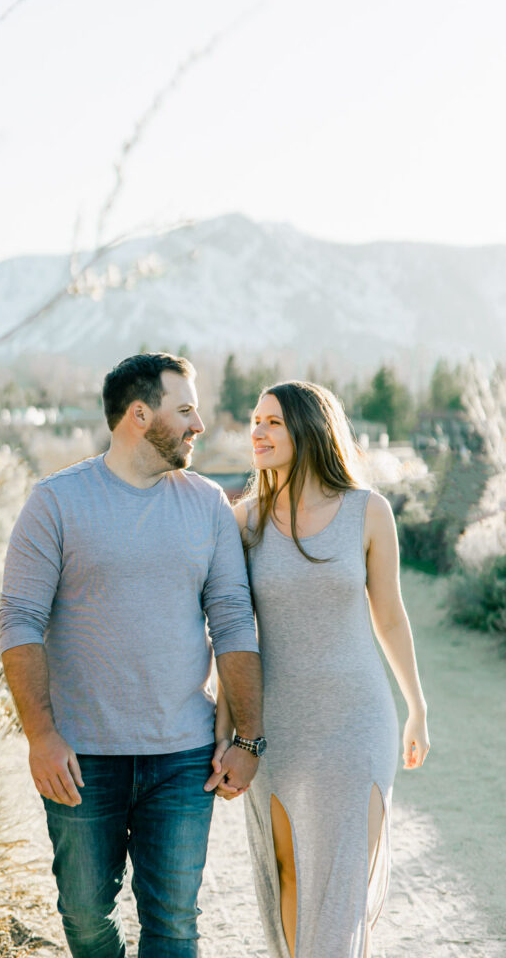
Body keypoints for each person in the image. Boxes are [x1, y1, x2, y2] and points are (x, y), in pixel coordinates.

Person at [0, 352, 263, 958]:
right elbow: (19, 620)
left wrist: (248, 740)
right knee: (85, 916)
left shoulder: (207, 507)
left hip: (182, 755)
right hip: (81, 757)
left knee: (173, 922)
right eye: (186, 409)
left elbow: (232, 622)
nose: (200, 425)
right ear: (140, 415)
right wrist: (41, 735)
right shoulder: (56, 502)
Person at [214, 380, 430, 958]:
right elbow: (231, 635)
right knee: (290, 874)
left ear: (310, 428)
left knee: (341, 885)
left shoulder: (368, 511)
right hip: (278, 728)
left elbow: (389, 615)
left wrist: (417, 707)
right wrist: (228, 731)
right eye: (255, 421)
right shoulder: (244, 521)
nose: (257, 431)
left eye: (273, 422)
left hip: (358, 721)